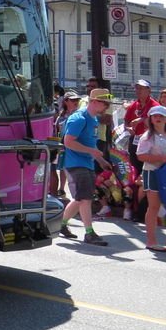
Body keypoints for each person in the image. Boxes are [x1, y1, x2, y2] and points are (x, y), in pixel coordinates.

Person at [59, 87, 114, 246]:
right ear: (95, 101)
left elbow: (89, 144)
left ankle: (62, 225)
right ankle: (89, 233)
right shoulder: (79, 118)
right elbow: (68, 142)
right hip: (76, 164)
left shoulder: (93, 119)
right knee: (85, 198)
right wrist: (91, 151)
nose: (107, 107)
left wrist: (102, 162)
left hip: (86, 163)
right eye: (105, 103)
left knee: (80, 198)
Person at [137, 105, 166, 251]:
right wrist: (161, 158)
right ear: (151, 118)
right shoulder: (147, 136)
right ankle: (151, 241)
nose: (158, 118)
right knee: (154, 206)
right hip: (153, 173)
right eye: (155, 115)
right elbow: (140, 155)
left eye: (161, 116)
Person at [49, 90, 81, 199]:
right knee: (60, 168)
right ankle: (60, 190)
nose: (76, 102)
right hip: (61, 145)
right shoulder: (61, 116)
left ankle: (65, 191)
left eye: (77, 100)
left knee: (71, 170)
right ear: (66, 101)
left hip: (74, 146)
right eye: (73, 100)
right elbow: (57, 130)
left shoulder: (79, 115)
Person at [124, 79, 159, 172]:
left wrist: (142, 119)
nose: (138, 90)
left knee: (147, 169)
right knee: (134, 168)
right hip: (135, 140)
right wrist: (128, 128)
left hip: (149, 141)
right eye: (137, 88)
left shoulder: (155, 105)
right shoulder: (134, 105)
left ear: (149, 90)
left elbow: (158, 122)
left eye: (141, 88)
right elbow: (126, 121)